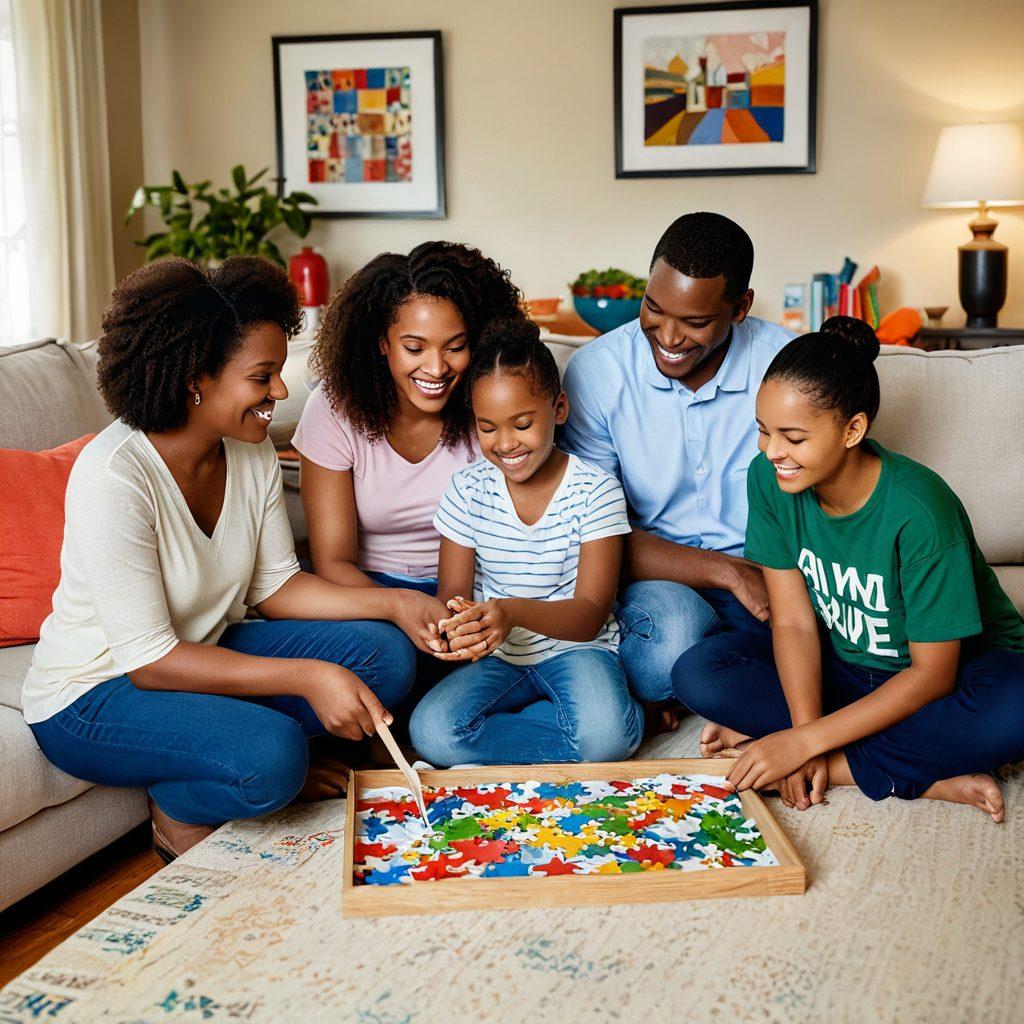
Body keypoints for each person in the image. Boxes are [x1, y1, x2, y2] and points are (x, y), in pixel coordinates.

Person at [22, 256, 445, 860]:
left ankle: (219, 746)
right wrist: (310, 676)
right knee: (273, 758)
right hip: (95, 694)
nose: (280, 391)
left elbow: (277, 588)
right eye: (263, 375)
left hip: (204, 651)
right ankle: (181, 801)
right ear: (197, 378)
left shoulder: (248, 452)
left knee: (384, 653)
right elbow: (151, 662)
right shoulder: (115, 476)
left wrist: (398, 602)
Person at [672, 316, 1024, 821]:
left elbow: (932, 676)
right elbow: (792, 622)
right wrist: (803, 727)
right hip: (849, 668)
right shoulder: (769, 481)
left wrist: (801, 744)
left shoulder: (919, 510)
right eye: (763, 431)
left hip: (953, 672)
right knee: (699, 672)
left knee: (1016, 707)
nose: (773, 452)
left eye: (793, 437)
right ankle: (923, 772)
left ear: (853, 429)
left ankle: (842, 767)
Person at [560, 212, 793, 724]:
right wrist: (727, 572)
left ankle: (719, 686)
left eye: (695, 322)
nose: (667, 335)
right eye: (653, 308)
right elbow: (591, 537)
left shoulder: (786, 365)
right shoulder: (598, 373)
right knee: (670, 649)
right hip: (661, 582)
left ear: (741, 308)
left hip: (775, 573)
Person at [408, 317, 643, 765]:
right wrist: (462, 628)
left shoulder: (595, 491)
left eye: (521, 424)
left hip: (579, 650)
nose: (505, 443)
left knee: (606, 741)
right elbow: (452, 596)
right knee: (431, 733)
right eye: (487, 427)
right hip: (501, 658)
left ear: (558, 410)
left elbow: (590, 616)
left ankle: (605, 723)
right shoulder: (466, 490)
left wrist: (511, 612)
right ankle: (564, 722)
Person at [293, 241, 523, 596]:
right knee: (390, 650)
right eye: (414, 348)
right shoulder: (334, 407)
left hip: (481, 589)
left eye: (455, 347)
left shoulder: (495, 402)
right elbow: (333, 563)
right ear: (382, 342)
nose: (436, 368)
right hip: (369, 589)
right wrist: (403, 608)